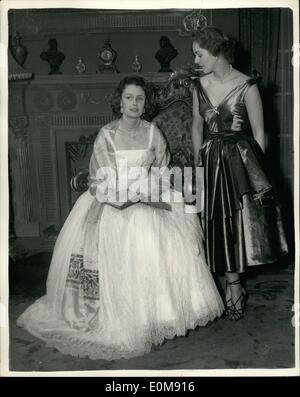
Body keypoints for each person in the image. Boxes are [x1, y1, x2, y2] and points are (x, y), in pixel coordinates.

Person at [17, 75, 224, 361]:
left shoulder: (153, 132)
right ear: (120, 101)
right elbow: (99, 176)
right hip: (112, 199)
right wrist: (122, 195)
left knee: (155, 236)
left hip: (149, 197)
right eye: (129, 98)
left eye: (139, 98)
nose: (134, 104)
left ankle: (153, 316)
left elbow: (163, 169)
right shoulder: (107, 134)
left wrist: (153, 191)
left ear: (145, 103)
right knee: (126, 235)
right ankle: (120, 317)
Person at [191, 27, 288, 321]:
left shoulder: (248, 85)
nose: (195, 60)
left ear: (217, 52)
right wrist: (198, 162)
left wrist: (256, 173)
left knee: (239, 224)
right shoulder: (197, 85)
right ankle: (232, 283)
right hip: (210, 159)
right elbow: (197, 125)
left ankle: (235, 286)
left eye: (199, 54)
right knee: (217, 223)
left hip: (241, 160)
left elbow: (259, 134)